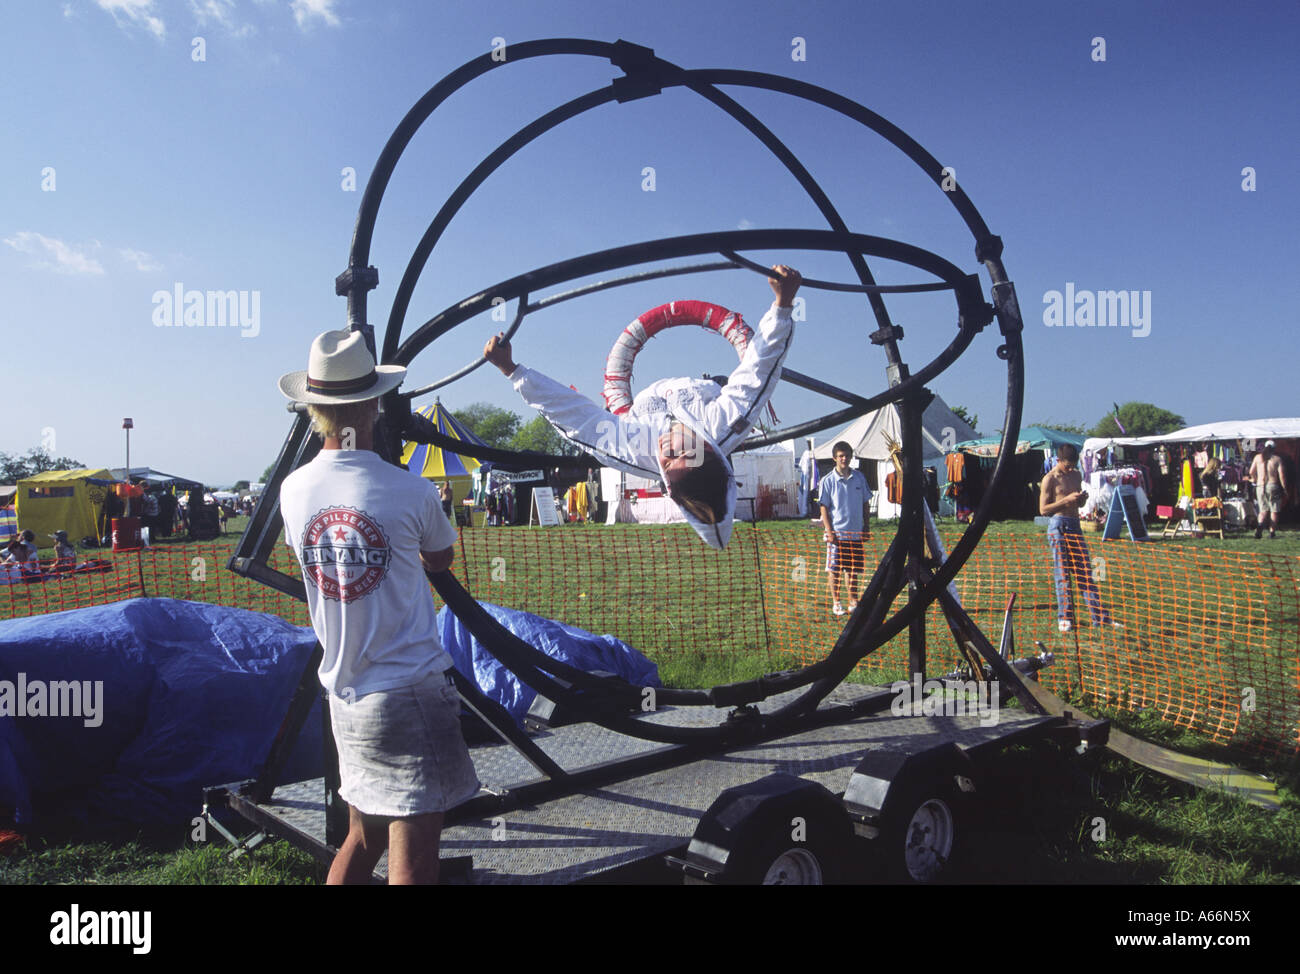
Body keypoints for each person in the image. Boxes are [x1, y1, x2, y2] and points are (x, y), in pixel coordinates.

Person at [278, 329, 479, 885]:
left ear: (314, 407)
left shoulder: (293, 491)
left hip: (345, 693)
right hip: (409, 690)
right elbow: (440, 560)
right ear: (373, 404)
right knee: (413, 861)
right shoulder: (409, 490)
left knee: (362, 836)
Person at [483, 265, 802, 549]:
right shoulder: (726, 421)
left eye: (668, 461)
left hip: (644, 407)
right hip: (704, 391)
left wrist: (512, 370)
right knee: (737, 384)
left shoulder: (631, 450)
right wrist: (783, 305)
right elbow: (759, 368)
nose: (667, 448)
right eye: (683, 451)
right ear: (707, 448)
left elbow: (576, 416)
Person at [1039, 443, 1113, 632]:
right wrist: (1065, 501)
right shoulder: (1050, 479)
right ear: (1058, 461)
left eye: (1073, 465)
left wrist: (1081, 500)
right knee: (1062, 575)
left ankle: (1100, 618)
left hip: (1075, 526)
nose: (1070, 469)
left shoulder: (1077, 475)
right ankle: (1065, 618)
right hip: (1058, 526)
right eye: (1067, 466)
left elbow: (1078, 505)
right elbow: (1043, 510)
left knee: (1085, 573)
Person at [818, 441, 871, 616]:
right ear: (834, 458)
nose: (844, 459)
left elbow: (865, 503)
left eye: (847, 455)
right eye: (841, 456)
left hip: (855, 534)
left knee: (853, 570)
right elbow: (824, 507)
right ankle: (836, 602)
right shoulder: (827, 481)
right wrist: (829, 531)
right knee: (834, 570)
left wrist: (866, 526)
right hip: (836, 535)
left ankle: (853, 601)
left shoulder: (860, 478)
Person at [1246, 440, 1287, 539]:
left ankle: (1260, 526)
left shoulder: (1257, 458)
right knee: (1274, 510)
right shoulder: (1277, 459)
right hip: (1273, 485)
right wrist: (1285, 488)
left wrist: (1254, 479)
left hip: (1260, 486)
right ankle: (1272, 532)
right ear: (1274, 449)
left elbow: (1251, 471)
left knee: (1263, 510)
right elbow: (1282, 476)